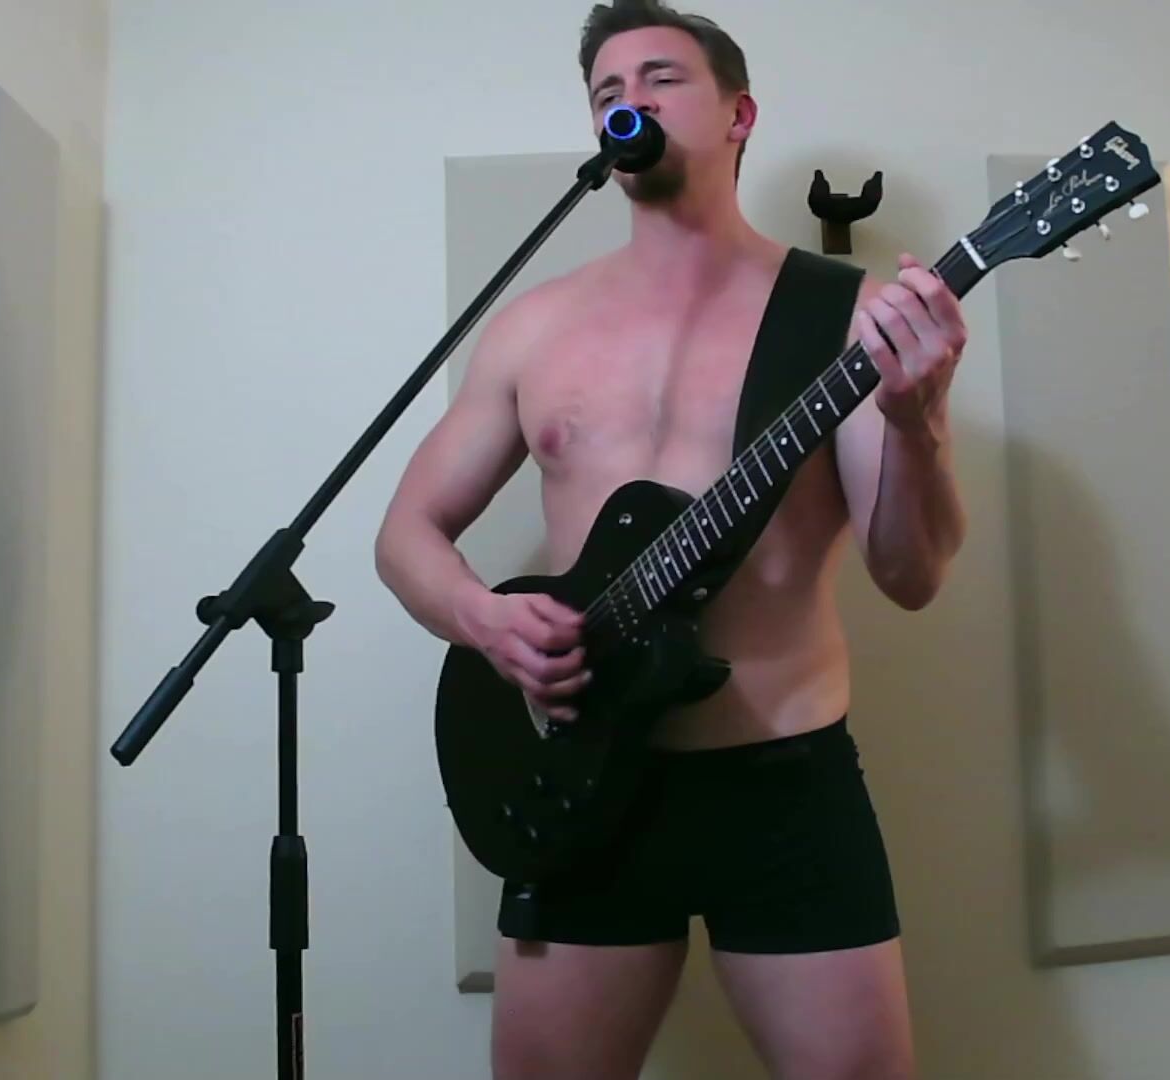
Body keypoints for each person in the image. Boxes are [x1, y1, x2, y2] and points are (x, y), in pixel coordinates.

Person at [374, 1, 967, 1076]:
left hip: (784, 783)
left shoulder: (849, 319)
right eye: (607, 92)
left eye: (661, 78)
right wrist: (485, 621)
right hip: (580, 777)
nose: (630, 102)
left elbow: (911, 575)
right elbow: (406, 533)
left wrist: (915, 423)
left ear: (739, 115)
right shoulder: (535, 325)